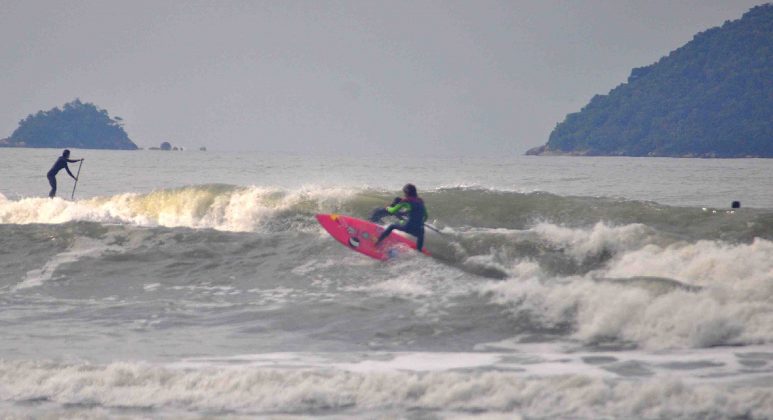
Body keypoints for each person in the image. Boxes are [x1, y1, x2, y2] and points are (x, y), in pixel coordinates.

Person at [374, 183, 428, 252]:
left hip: (408, 227)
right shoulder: (421, 201)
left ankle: (377, 242)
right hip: (420, 230)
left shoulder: (406, 201)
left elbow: (393, 211)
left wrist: (388, 208)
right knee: (421, 234)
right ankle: (419, 251)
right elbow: (426, 216)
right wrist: (419, 221)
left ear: (406, 193)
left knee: (392, 226)